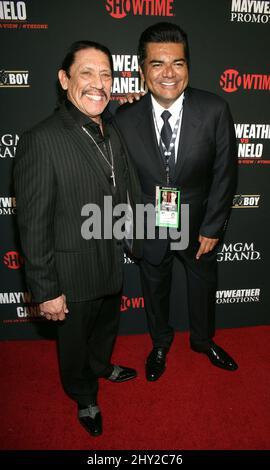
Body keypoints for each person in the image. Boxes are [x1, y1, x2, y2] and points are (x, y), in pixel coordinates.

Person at [14, 40, 141, 437]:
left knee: (105, 327)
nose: (98, 83)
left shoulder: (111, 126)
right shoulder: (42, 139)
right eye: (87, 72)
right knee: (73, 344)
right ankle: (84, 393)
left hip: (110, 257)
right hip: (69, 271)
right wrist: (45, 288)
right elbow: (33, 223)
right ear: (64, 79)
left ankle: (101, 365)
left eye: (106, 75)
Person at [115, 22, 238, 381]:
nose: (168, 73)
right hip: (150, 224)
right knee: (154, 289)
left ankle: (202, 340)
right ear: (142, 71)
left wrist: (214, 225)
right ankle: (160, 344)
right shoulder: (124, 117)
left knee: (202, 286)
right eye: (157, 64)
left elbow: (225, 172)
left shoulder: (215, 109)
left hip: (199, 223)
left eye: (178, 63)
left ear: (188, 66)